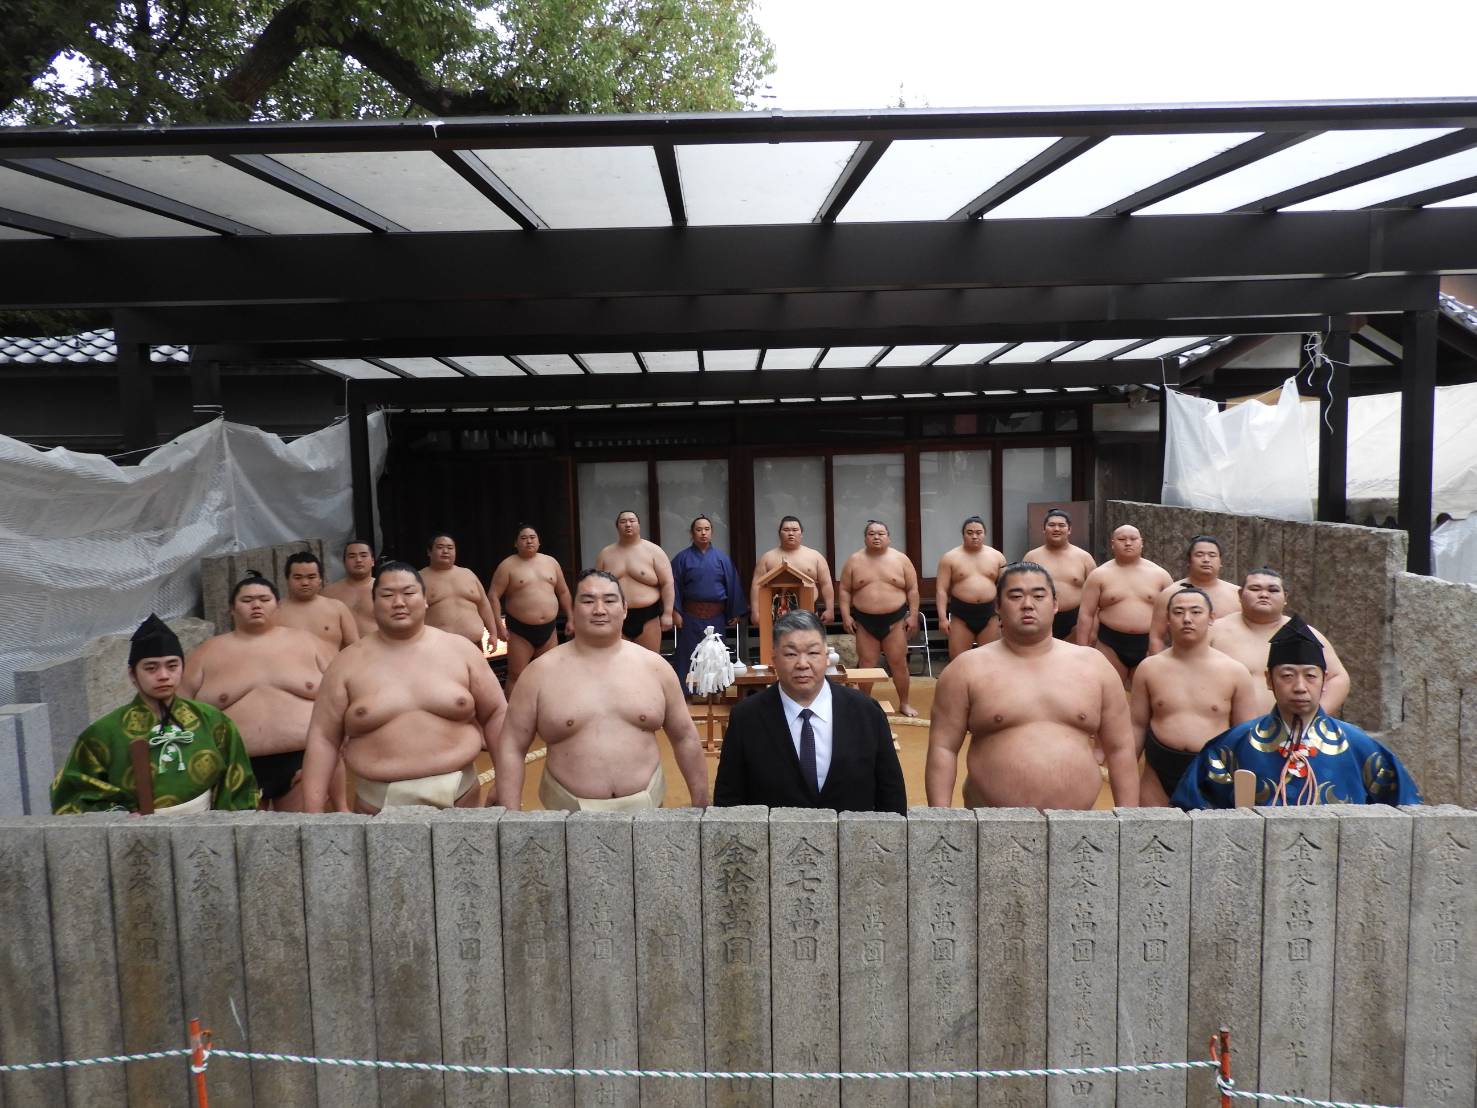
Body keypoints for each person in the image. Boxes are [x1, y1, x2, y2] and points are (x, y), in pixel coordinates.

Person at [927, 562, 1138, 810]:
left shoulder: (1094, 666)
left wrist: (1129, 819)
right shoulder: (965, 669)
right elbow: (943, 748)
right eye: (1016, 596)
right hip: (989, 820)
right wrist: (939, 819)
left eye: (1039, 596)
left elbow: (1121, 749)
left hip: (1077, 823)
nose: (1027, 604)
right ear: (998, 606)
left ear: (1055, 604)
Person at [494, 569, 710, 811]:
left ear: (624, 609)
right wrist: (510, 815)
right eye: (588, 601)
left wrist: (702, 804)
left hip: (647, 810)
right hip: (566, 815)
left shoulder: (656, 668)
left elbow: (685, 737)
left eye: (609, 600)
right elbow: (512, 745)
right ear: (573, 610)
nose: (599, 610)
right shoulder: (539, 673)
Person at [300, 561, 507, 813]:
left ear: (426, 600)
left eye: (409, 593)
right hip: (376, 806)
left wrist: (505, 782)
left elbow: (496, 714)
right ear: (374, 603)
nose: (399, 602)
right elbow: (323, 737)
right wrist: (313, 812)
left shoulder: (461, 650)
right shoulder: (345, 664)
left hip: (461, 797)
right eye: (387, 595)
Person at [1173, 616, 1420, 808]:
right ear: (1269, 680)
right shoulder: (1230, 747)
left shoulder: (1361, 748)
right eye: (1287, 676)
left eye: (1310, 676)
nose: (1300, 687)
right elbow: (1193, 809)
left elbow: (1404, 810)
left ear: (1324, 680)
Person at [52, 614, 259, 814]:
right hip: (134, 832)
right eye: (151, 668)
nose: (163, 676)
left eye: (172, 666)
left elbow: (238, 784)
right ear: (132, 674)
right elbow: (74, 794)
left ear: (183, 668)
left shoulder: (214, 721)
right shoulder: (102, 733)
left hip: (208, 827)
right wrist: (120, 817)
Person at [714, 610, 906, 813]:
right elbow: (728, 800)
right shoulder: (746, 718)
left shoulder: (866, 712)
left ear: (826, 657)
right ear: (774, 658)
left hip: (854, 833)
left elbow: (891, 794)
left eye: (813, 653)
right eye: (791, 654)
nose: (802, 664)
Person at [180, 573, 336, 812]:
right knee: (244, 835)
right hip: (235, 765)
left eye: (264, 599)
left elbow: (342, 697)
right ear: (232, 608)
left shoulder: (310, 643)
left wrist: (336, 750)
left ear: (278, 605)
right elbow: (179, 712)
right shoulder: (205, 653)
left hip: (305, 761)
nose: (256, 605)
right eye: (247, 600)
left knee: (303, 830)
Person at [1130, 587, 1259, 806]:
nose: (1187, 619)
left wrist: (1245, 794)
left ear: (1211, 618)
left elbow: (1245, 737)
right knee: (1152, 826)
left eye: (1196, 612)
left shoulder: (1235, 671)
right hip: (1157, 772)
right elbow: (1137, 725)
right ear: (1168, 619)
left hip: (1212, 773)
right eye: (1178, 612)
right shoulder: (1149, 668)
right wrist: (1125, 774)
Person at [1210, 567, 1350, 716]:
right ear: (1240, 594)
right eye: (1255, 589)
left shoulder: (1303, 633)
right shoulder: (1215, 631)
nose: (1264, 595)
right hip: (1226, 727)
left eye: (1273, 590)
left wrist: (1313, 718)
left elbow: (1338, 677)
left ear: (1285, 597)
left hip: (1288, 727)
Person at [839, 520, 922, 717]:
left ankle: (904, 703)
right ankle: (864, 704)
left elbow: (912, 589)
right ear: (865, 538)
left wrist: (913, 615)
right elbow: (844, 590)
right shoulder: (854, 560)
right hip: (865, 621)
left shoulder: (901, 560)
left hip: (895, 620)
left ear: (888, 537)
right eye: (872, 534)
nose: (876, 537)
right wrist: (845, 615)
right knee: (866, 664)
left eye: (881, 533)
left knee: (898, 663)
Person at [1075, 524, 1173, 685]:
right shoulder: (1099, 575)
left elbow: (1173, 615)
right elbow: (1086, 614)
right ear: (1113, 544)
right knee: (1108, 690)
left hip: (1149, 643)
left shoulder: (1161, 575)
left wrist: (1175, 648)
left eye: (1133, 539)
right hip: (1109, 643)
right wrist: (1081, 650)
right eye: (1122, 539)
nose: (1128, 543)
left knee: (1148, 692)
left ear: (1142, 543)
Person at [487, 524, 573, 695]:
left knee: (550, 673)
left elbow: (563, 591)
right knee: (516, 675)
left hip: (549, 629)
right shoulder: (507, 565)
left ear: (539, 541)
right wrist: (499, 626)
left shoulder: (551, 563)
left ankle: (548, 708)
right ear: (516, 543)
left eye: (532, 537)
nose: (529, 541)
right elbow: (493, 596)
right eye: (524, 538)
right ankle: (511, 710)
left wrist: (571, 617)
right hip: (520, 630)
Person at [670, 515, 748, 688]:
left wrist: (734, 612)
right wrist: (675, 611)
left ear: (712, 532)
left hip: (715, 617)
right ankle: (685, 696)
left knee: (717, 659)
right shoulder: (682, 559)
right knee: (687, 658)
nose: (703, 533)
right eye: (699, 530)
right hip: (690, 617)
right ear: (692, 533)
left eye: (707, 529)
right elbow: (672, 586)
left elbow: (733, 584)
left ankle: (716, 695)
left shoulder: (722, 559)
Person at [595, 510, 674, 652]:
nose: (628, 524)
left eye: (632, 521)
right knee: (618, 661)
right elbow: (596, 586)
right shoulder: (605, 554)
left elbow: (667, 583)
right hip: (615, 614)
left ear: (639, 525)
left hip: (648, 615)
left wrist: (668, 613)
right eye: (623, 521)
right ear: (617, 526)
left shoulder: (654, 551)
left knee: (649, 660)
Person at [1147, 535, 1241, 654]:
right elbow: (1156, 637)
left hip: (1228, 659)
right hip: (1182, 659)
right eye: (1199, 555)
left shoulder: (1237, 594)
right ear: (1189, 561)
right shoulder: (1169, 594)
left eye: (1212, 555)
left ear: (1220, 561)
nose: (1206, 559)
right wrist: (1159, 663)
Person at [935, 515, 1008, 659]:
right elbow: (941, 590)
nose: (974, 536)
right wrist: (942, 618)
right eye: (970, 533)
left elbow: (1005, 588)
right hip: (961, 614)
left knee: (992, 659)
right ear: (963, 534)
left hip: (990, 614)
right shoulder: (950, 558)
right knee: (958, 659)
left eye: (978, 532)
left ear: (984, 534)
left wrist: (1006, 616)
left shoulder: (997, 557)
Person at [1024, 508, 1097, 641]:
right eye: (1051, 525)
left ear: (1069, 530)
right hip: (1039, 617)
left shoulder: (1084, 557)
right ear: (1044, 529)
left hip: (1076, 620)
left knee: (1073, 654)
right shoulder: (1032, 557)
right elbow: (1022, 589)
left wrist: (1093, 626)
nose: (1056, 529)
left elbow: (1097, 595)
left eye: (1061, 525)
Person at [421, 532, 499, 653]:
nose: (445, 551)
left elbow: (484, 605)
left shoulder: (468, 574)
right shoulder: (418, 579)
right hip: (439, 648)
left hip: (474, 645)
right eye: (440, 547)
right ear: (429, 552)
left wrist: (493, 633)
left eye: (450, 548)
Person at [750, 515, 836, 624]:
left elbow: (826, 584)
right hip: (776, 611)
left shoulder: (815, 556)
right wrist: (755, 611)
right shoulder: (767, 558)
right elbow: (756, 585)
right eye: (786, 530)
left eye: (795, 530)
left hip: (809, 609)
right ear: (779, 534)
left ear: (801, 534)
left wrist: (830, 609)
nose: (791, 533)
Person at [274, 551, 361, 651]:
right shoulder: (275, 611)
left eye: (311, 577)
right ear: (287, 579)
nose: (305, 583)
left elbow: (356, 648)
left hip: (332, 661)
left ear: (320, 579)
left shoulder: (337, 608)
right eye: (298, 577)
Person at [322, 539, 377, 638]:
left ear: (373, 561)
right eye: (352, 556)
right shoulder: (328, 593)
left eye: (363, 555)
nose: (358, 560)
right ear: (344, 562)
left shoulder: (385, 590)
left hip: (377, 646)